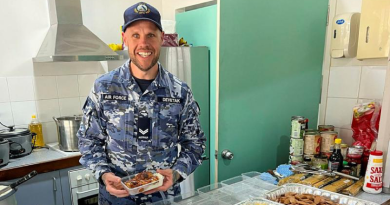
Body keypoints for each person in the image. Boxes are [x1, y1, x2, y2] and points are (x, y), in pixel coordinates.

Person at [77, 2, 206, 204]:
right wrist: (103, 174)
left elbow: (195, 144)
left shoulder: (180, 91)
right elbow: (89, 141)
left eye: (151, 35)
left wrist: (177, 173)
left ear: (161, 38)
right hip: (117, 198)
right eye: (136, 35)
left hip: (164, 198)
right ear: (124, 39)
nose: (143, 43)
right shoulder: (104, 88)